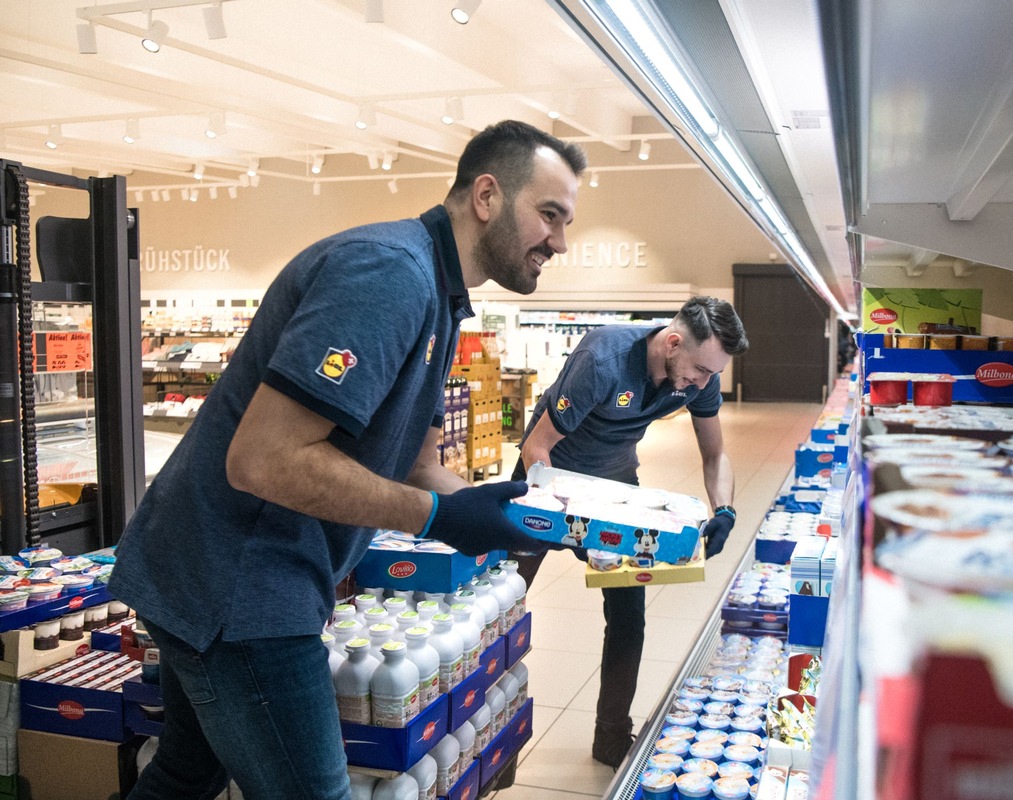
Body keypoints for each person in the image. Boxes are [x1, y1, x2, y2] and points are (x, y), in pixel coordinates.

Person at [108, 120, 587, 800]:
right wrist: (436, 518)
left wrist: (553, 525)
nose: (559, 243)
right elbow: (265, 460)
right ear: (487, 195)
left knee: (188, 772)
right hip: (239, 587)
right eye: (550, 216)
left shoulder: (441, 299)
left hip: (222, 570)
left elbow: (420, 466)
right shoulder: (390, 275)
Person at [513, 296, 749, 768]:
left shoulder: (700, 374)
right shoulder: (602, 360)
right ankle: (483, 733)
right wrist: (570, 517)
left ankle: (611, 738)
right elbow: (538, 446)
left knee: (628, 618)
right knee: (499, 606)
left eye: (711, 374)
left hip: (618, 491)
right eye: (700, 370)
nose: (704, 383)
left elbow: (715, 454)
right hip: (544, 483)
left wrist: (724, 509)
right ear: (674, 341)